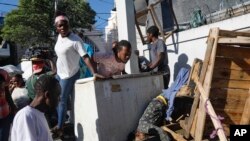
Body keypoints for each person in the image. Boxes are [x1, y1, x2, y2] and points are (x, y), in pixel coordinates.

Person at [53, 14, 104, 137]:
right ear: (56, 28)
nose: (63, 27)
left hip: (69, 75)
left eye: (65, 25)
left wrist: (94, 72)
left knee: (62, 100)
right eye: (60, 26)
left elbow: (85, 57)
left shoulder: (75, 40)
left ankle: (60, 127)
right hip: (59, 73)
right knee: (55, 98)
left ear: (69, 25)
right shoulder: (59, 38)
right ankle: (64, 120)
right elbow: (60, 56)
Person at [11, 75, 61, 141]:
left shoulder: (39, 113)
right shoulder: (26, 116)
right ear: (47, 95)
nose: (59, 99)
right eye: (57, 95)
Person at [0, 69, 16, 141]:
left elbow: (7, 93)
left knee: (4, 138)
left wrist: (13, 107)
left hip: (4, 115)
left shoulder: (3, 73)